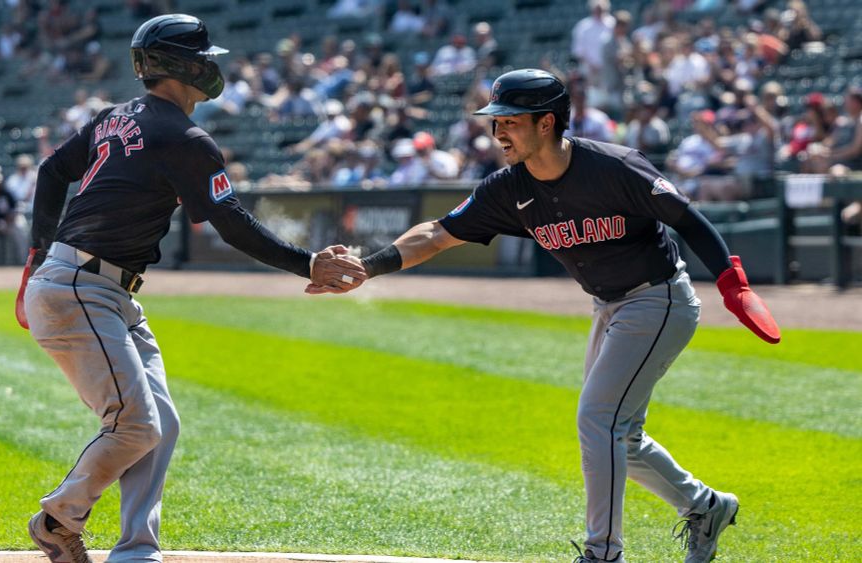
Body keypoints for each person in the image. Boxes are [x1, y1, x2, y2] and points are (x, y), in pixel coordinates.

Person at [312, 69, 781, 563]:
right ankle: (706, 507)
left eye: (509, 122)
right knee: (622, 435)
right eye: (495, 123)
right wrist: (368, 266)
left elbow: (689, 219)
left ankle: (603, 554)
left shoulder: (616, 167)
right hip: (609, 306)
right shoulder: (507, 188)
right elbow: (436, 233)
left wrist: (734, 283)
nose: (498, 134)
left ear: (546, 123)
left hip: (659, 300)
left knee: (598, 420)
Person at [15, 14, 366, 563]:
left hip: (96, 288)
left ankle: (135, 550)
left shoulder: (114, 117)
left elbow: (50, 172)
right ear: (186, 65)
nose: (213, 66)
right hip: (82, 288)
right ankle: (58, 519)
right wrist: (308, 264)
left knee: (160, 423)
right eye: (206, 58)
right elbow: (231, 223)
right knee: (134, 425)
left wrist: (36, 254)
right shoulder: (182, 137)